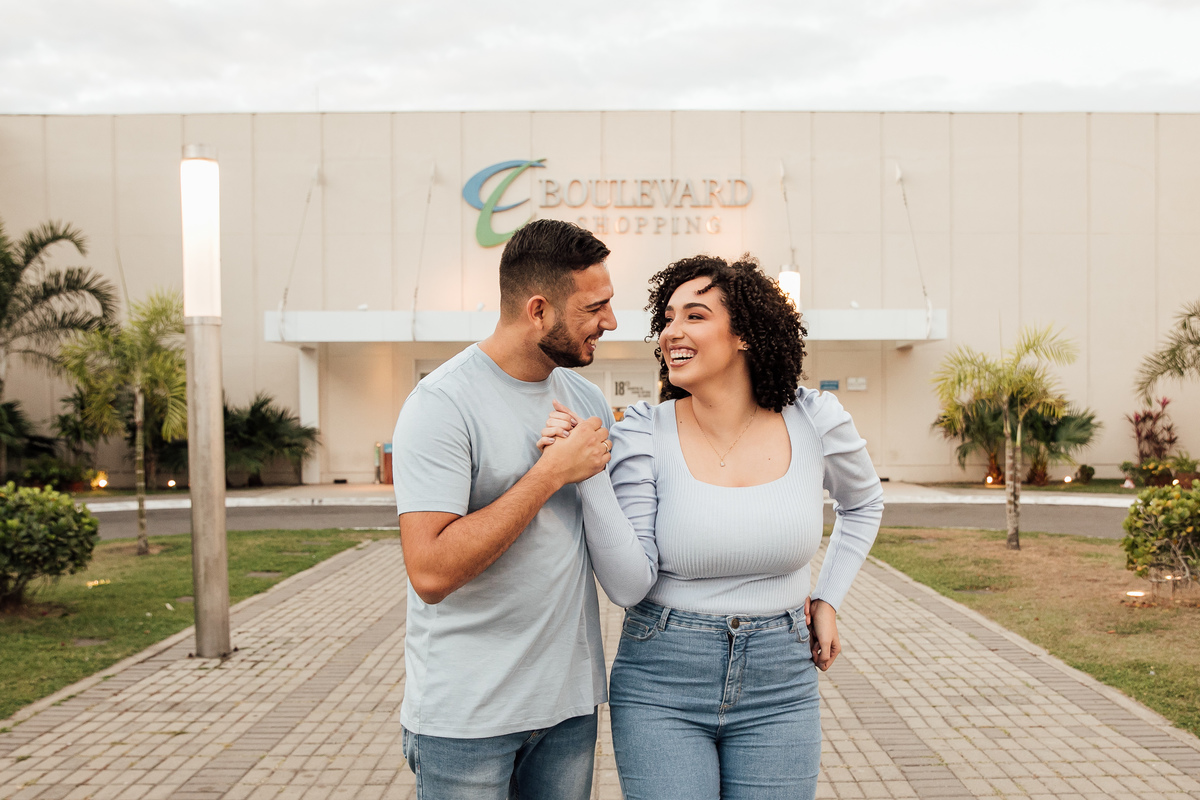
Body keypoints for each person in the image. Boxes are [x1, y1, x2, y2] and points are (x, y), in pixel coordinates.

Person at [541, 254, 884, 800]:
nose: (672, 332)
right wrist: (586, 476)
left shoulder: (816, 419)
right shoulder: (643, 434)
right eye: (668, 318)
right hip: (662, 678)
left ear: (745, 333)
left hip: (782, 678)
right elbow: (629, 586)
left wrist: (828, 599)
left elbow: (864, 505)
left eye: (695, 316)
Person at [392, 219, 619, 800]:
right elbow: (431, 572)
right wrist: (549, 474)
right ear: (538, 310)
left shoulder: (587, 399)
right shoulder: (442, 404)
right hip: (468, 719)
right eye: (596, 308)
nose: (610, 323)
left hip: (567, 708)